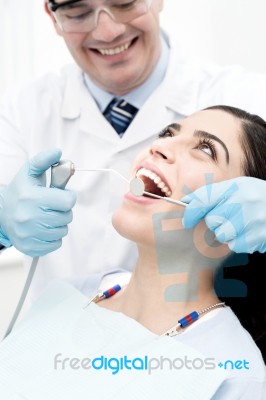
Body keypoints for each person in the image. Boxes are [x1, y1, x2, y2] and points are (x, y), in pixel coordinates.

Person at [1, 0, 266, 302]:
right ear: (54, 17)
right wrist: (2, 219)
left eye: (124, 2)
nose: (108, 30)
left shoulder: (251, 96)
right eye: (78, 12)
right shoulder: (22, 109)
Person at [0, 106, 265, 399]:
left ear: (245, 218)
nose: (159, 145)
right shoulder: (69, 294)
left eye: (205, 148)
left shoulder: (237, 378)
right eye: (168, 133)